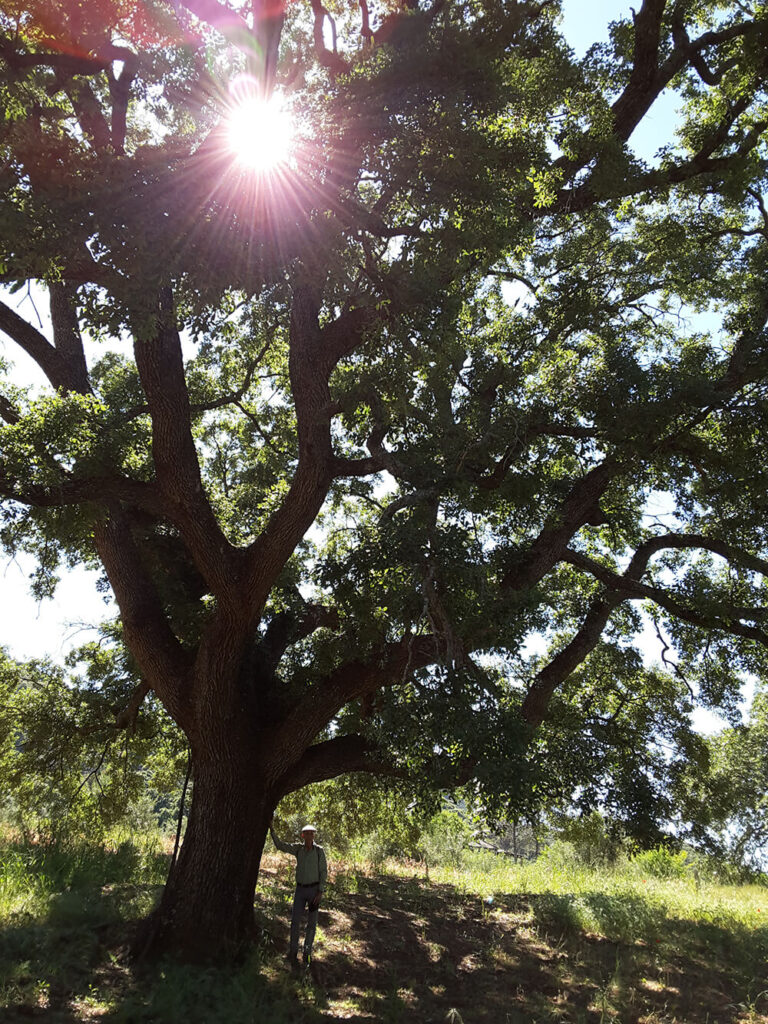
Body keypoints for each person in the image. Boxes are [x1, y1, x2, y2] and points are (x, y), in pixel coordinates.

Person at [270, 819, 328, 967]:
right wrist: (271, 829)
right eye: (306, 833)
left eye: (311, 833)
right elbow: (280, 846)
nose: (309, 836)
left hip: (314, 890)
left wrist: (320, 891)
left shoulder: (319, 852)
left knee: (311, 924)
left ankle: (307, 953)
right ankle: (293, 952)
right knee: (295, 921)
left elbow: (323, 871)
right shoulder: (298, 850)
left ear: (314, 835)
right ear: (302, 836)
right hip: (300, 890)